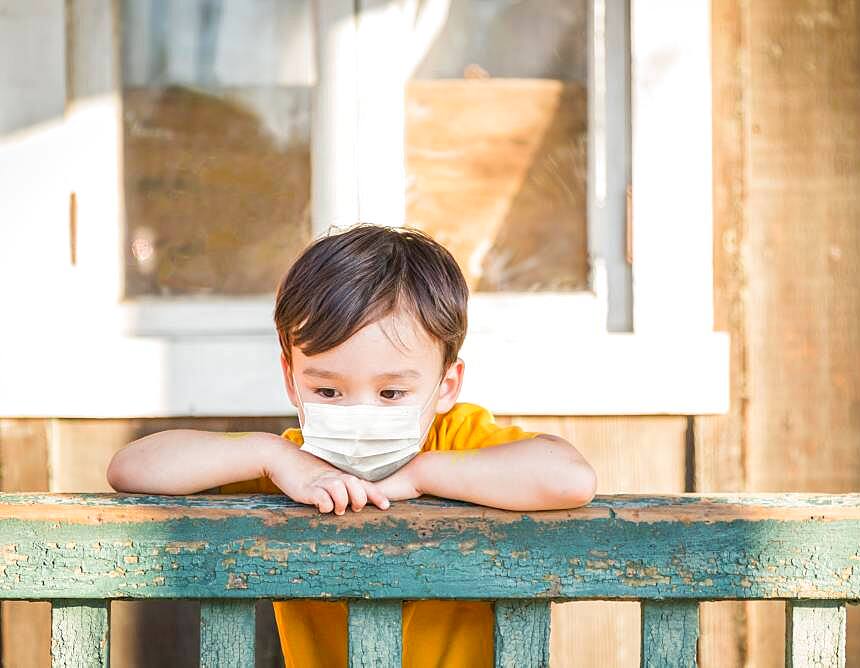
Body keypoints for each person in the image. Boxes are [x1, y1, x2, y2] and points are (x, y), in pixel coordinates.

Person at [107, 224, 597, 668]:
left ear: (446, 385)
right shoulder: (293, 463)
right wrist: (270, 453)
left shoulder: (460, 441)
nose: (361, 413)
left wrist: (421, 475)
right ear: (291, 380)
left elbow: (569, 477)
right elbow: (132, 469)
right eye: (328, 391)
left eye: (391, 393)